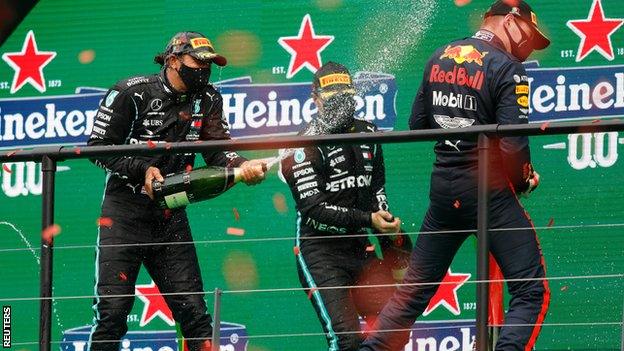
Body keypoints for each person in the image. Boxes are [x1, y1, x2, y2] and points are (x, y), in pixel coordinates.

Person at [359, 1, 550, 350]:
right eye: (528, 36)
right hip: (487, 191)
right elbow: (513, 146)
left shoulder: (440, 55)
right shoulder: (507, 67)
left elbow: (418, 124)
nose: (527, 47)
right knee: (531, 289)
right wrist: (524, 180)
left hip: (444, 191)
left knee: (412, 294)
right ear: (508, 21)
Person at [87, 31, 266, 351]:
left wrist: (243, 166)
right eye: (198, 63)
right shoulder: (132, 92)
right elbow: (97, 149)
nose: (205, 70)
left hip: (171, 216)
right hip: (124, 215)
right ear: (172, 61)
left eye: (210, 64)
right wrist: (142, 169)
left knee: (195, 317)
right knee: (112, 316)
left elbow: (218, 152)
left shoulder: (208, 98)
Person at [280, 62, 410, 351]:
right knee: (346, 340)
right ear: (315, 100)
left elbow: (376, 187)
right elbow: (313, 210)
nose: (342, 107)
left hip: (360, 248)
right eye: (333, 101)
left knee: (396, 330)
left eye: (346, 100)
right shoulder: (300, 146)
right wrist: (369, 219)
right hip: (320, 254)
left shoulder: (368, 132)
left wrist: (385, 223)